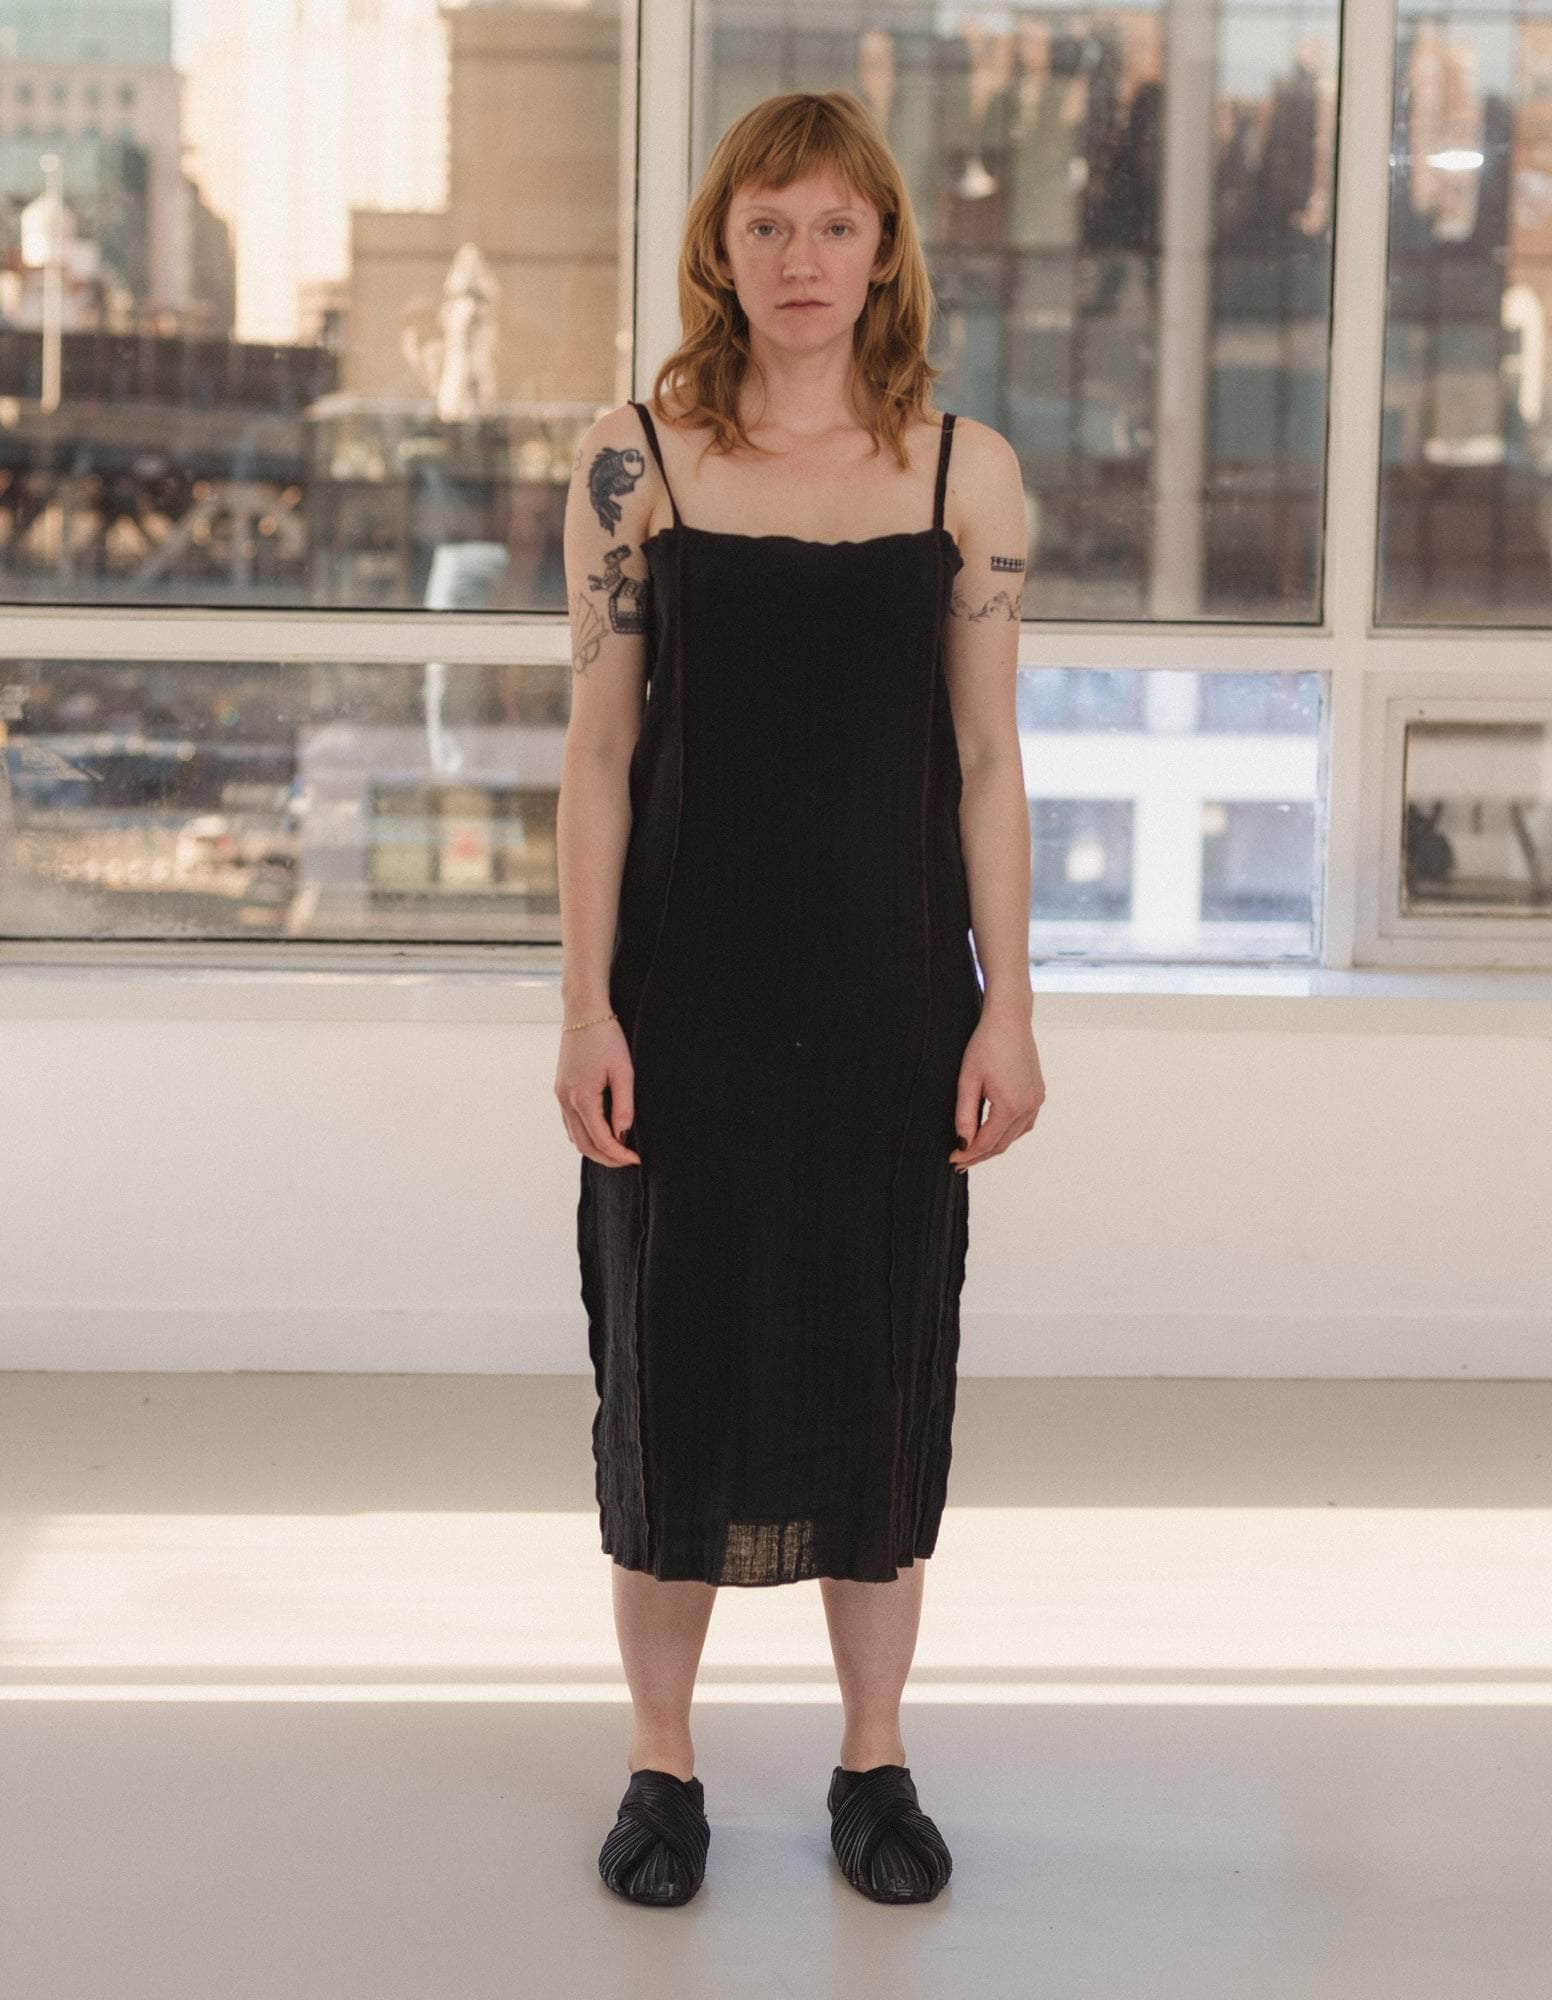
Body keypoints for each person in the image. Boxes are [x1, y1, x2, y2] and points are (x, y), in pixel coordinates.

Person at [555, 89, 1044, 1908]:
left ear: (885, 246)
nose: (802, 258)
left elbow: (988, 764)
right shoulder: (637, 461)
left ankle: (872, 1758)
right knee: (668, 1378)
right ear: (722, 247)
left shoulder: (963, 473)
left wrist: (1009, 1006)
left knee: (876, 1374)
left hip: (892, 1002)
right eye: (767, 224)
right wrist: (585, 1008)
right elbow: (598, 754)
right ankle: (661, 1762)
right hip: (681, 1005)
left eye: (835, 224)